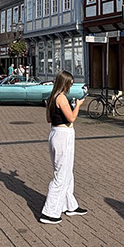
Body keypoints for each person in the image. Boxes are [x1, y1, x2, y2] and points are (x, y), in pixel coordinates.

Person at [39, 71, 87, 224]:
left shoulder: (51, 98)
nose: (70, 86)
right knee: (61, 174)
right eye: (70, 83)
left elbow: (48, 119)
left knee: (66, 171)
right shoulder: (61, 98)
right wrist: (78, 106)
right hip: (63, 135)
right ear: (65, 83)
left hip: (55, 133)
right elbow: (71, 118)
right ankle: (49, 212)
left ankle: (70, 205)